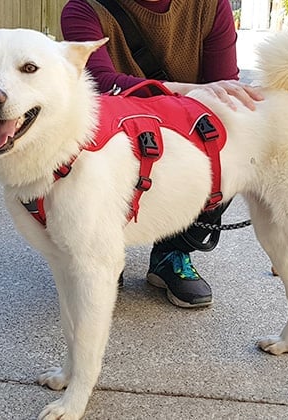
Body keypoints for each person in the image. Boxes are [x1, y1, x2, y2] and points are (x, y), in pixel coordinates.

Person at [61, 0, 262, 308]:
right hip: (115, 132)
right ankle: (100, 250)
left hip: (184, 128)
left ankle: (172, 253)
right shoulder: (85, 9)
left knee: (232, 143)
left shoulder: (209, 6)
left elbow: (223, 88)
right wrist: (180, 89)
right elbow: (97, 83)